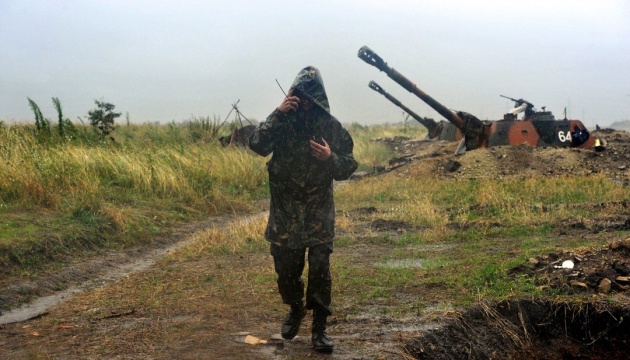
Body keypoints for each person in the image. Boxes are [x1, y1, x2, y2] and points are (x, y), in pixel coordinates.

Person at [249, 66, 358, 353]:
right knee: (286, 270)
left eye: (311, 96)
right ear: (293, 94)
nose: (306, 101)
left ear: (319, 97)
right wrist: (278, 112)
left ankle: (319, 330)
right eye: (301, 94)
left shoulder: (329, 125)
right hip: (285, 214)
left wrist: (330, 157)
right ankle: (295, 307)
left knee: (320, 271)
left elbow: (349, 165)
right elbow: (257, 144)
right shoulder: (281, 120)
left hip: (318, 213)